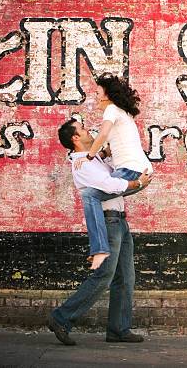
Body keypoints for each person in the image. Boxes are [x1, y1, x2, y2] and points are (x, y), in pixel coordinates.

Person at [48, 119, 152, 346]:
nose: (89, 131)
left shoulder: (92, 158)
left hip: (120, 222)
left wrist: (107, 150)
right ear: (75, 138)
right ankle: (61, 318)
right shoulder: (81, 164)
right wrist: (137, 183)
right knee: (103, 275)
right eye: (83, 129)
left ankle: (118, 329)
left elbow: (118, 165)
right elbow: (110, 186)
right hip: (108, 223)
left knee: (125, 277)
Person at [76, 73, 154, 270]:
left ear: (107, 95)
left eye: (97, 92)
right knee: (93, 195)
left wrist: (89, 156)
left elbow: (102, 134)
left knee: (89, 195)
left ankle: (100, 249)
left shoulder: (111, 109)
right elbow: (113, 146)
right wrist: (101, 153)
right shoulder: (122, 112)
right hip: (137, 170)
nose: (95, 96)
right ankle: (100, 248)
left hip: (132, 171)